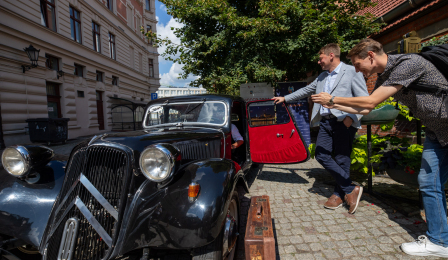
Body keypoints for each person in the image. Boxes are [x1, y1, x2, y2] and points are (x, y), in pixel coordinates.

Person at [311, 38, 448, 258]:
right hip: (437, 133)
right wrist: (333, 104)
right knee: (428, 183)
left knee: (430, 183)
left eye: (357, 64)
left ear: (371, 55)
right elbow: (365, 107)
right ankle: (440, 241)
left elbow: (369, 102)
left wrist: (334, 99)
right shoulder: (386, 76)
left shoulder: (410, 63)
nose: (356, 70)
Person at [273, 43, 369, 214]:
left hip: (343, 122)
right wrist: (285, 98)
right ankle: (350, 188)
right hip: (325, 122)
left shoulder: (352, 71)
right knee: (320, 154)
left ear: (331, 55)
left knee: (342, 159)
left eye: (321, 58)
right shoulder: (322, 76)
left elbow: (364, 99)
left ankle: (338, 195)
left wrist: (352, 118)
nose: (319, 61)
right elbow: (306, 90)